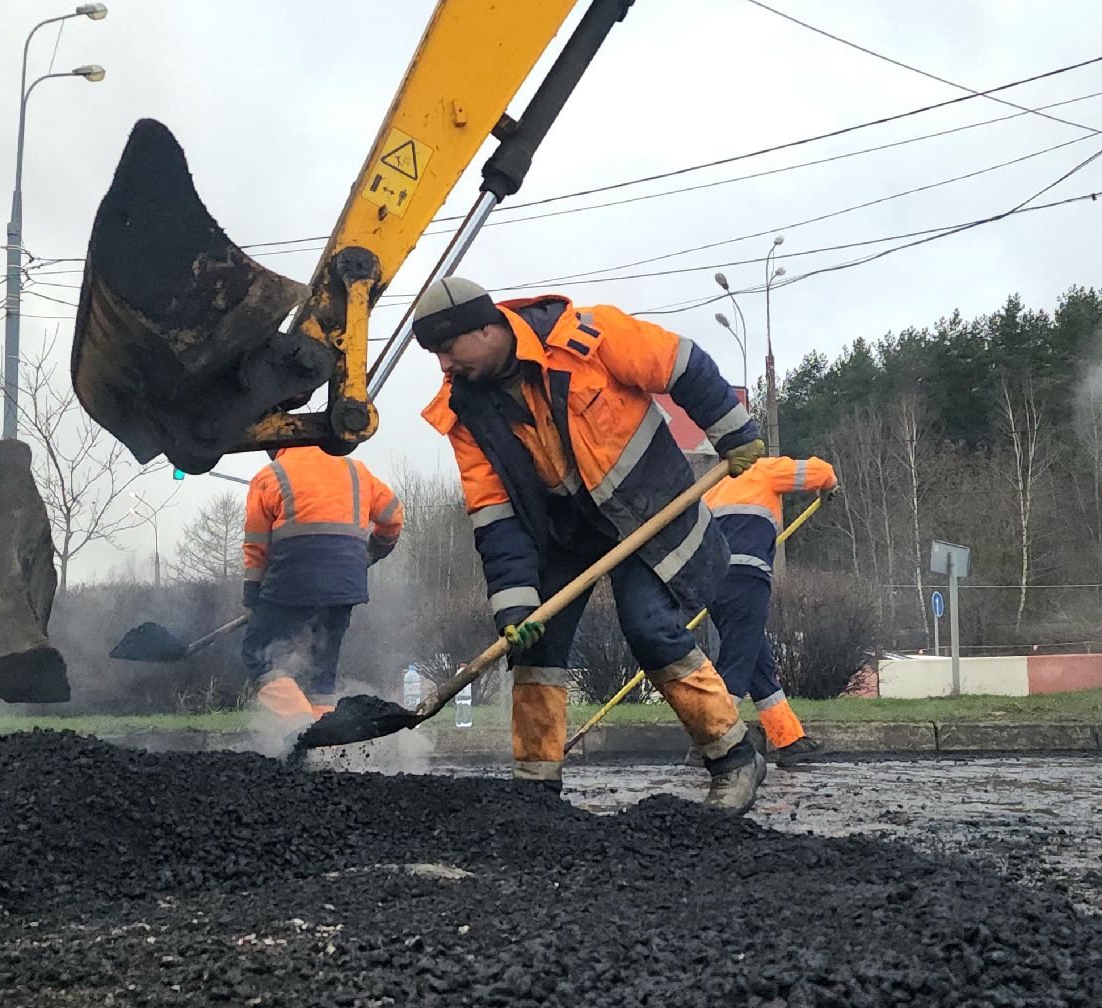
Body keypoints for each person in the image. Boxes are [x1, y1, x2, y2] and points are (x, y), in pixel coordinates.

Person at [415, 276, 770, 812]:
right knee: (533, 644)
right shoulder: (463, 411)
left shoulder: (586, 335)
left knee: (651, 630)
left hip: (645, 511)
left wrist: (735, 432)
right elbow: (494, 513)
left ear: (486, 328)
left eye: (448, 348)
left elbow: (682, 364)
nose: (444, 365)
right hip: (561, 531)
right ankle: (536, 790)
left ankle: (734, 758)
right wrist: (514, 604)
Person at [241, 445, 402, 722]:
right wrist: (369, 554)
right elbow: (393, 518)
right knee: (321, 674)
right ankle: (323, 746)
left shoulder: (270, 476)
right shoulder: (355, 471)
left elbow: (257, 548)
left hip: (291, 584)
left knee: (257, 655)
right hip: (345, 588)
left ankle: (302, 725)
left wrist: (251, 598)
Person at [704, 453, 837, 766]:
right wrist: (829, 487)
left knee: (757, 665)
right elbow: (821, 471)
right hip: (747, 578)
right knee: (737, 664)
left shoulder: (712, 487)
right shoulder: (763, 470)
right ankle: (710, 740)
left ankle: (788, 739)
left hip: (713, 585)